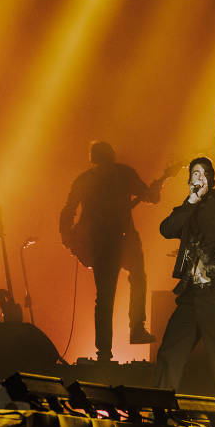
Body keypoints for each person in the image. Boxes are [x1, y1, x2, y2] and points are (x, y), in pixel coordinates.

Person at [155, 92, 215, 402]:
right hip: (190, 296)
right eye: (192, 174)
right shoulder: (186, 209)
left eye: (202, 174)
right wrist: (190, 201)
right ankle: (158, 407)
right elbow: (166, 229)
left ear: (210, 180)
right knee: (170, 352)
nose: (197, 178)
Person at [60, 141, 159, 361]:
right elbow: (151, 196)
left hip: (110, 242)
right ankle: (134, 329)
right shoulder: (121, 174)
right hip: (116, 241)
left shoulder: (88, 179)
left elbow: (67, 210)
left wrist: (67, 237)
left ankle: (109, 348)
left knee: (108, 295)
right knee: (125, 285)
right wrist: (69, 238)